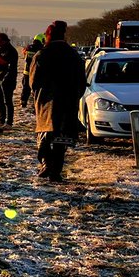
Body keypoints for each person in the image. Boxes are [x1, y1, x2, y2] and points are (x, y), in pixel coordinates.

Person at [30, 20, 85, 181]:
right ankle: (56, 172)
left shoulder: (42, 54)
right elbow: (81, 81)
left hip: (47, 102)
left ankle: (46, 162)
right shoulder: (73, 55)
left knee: (44, 135)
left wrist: (38, 97)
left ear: (48, 35)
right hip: (68, 102)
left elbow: (33, 82)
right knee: (62, 139)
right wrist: (75, 96)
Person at [0, 33, 20, 127]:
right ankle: (1, 121)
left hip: (8, 80)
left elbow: (11, 67)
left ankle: (9, 122)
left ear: (4, 40)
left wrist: (6, 77)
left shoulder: (11, 51)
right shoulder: (0, 50)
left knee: (7, 101)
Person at [20, 34, 44, 107]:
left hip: (26, 72)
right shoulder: (41, 48)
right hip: (36, 73)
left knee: (25, 88)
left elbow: (23, 54)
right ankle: (37, 104)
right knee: (37, 89)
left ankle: (23, 102)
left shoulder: (27, 48)